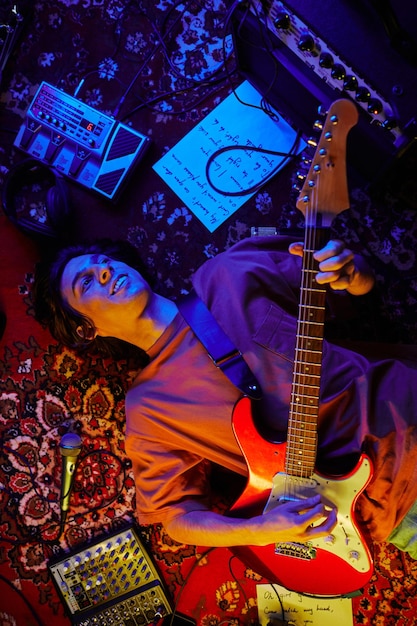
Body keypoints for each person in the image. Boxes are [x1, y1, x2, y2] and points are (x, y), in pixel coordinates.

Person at [33, 234, 417, 555]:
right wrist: (263, 529)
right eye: (85, 282)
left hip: (406, 409)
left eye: (102, 262)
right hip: (383, 511)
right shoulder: (149, 409)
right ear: (86, 330)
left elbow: (353, 291)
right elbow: (177, 519)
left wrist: (353, 272)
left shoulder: (229, 273)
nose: (103, 270)